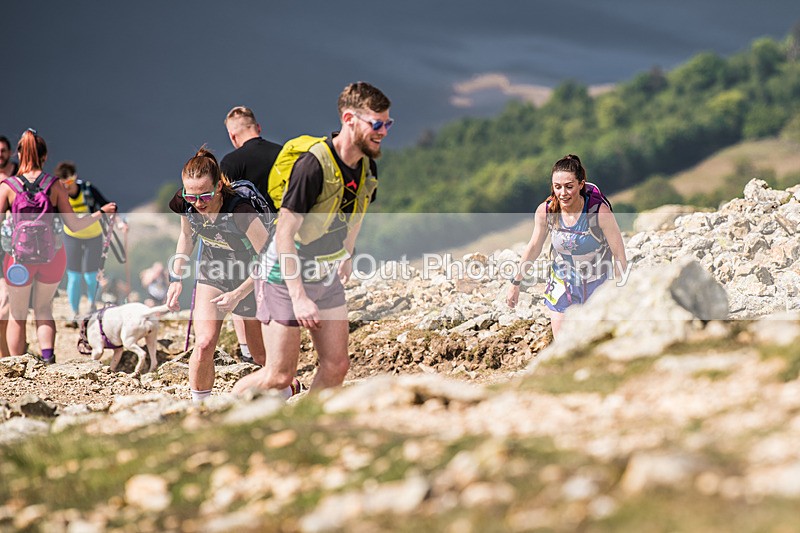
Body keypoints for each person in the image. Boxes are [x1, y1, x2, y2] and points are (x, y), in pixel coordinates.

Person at [232, 81, 391, 397]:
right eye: (377, 124)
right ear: (349, 120)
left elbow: (357, 210)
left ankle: (306, 420)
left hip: (325, 272)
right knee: (279, 375)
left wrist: (347, 253)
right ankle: (220, 412)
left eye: (388, 123)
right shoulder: (313, 166)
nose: (383, 131)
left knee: (337, 366)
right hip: (282, 276)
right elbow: (284, 233)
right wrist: (299, 297)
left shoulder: (366, 165)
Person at [165, 148, 271, 403]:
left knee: (260, 355)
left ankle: (289, 386)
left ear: (219, 186)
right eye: (191, 196)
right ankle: (199, 409)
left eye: (205, 196)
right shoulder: (185, 202)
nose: (198, 203)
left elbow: (268, 259)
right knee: (203, 344)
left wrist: (238, 294)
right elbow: (187, 236)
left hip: (249, 276)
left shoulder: (241, 211)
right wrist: (176, 279)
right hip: (214, 270)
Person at [0, 129, 117, 361]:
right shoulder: (54, 185)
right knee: (44, 309)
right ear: (44, 157)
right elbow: (74, 225)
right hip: (52, 257)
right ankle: (47, 358)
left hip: (18, 260)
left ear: (19, 155)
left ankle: (16, 365)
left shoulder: (8, 186)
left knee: (17, 313)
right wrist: (100, 213)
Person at [506, 154, 628, 338]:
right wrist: (515, 282)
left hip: (597, 282)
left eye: (569, 186)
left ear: (581, 184)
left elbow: (619, 254)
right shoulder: (546, 211)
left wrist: (620, 290)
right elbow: (534, 247)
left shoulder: (599, 213)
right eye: (557, 187)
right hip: (563, 282)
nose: (563, 193)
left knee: (596, 341)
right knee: (562, 342)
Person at [220, 106, 282, 364]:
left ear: (232, 136)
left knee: (243, 291)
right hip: (283, 231)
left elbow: (224, 205)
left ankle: (248, 352)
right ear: (258, 127)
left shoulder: (231, 162)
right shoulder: (282, 153)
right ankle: (276, 350)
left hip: (247, 236)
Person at [54, 161, 125, 324]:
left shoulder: (88, 189)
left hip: (93, 236)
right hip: (71, 237)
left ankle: (92, 307)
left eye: (69, 182)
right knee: (74, 277)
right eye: (63, 184)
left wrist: (120, 222)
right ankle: (74, 312)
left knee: (91, 277)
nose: (67, 187)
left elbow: (107, 205)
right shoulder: (60, 195)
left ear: (75, 177)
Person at [0, 136, 18, 357]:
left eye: (3, 150)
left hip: (14, 245)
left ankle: (8, 357)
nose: (0, 154)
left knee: (6, 301)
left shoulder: (19, 177)